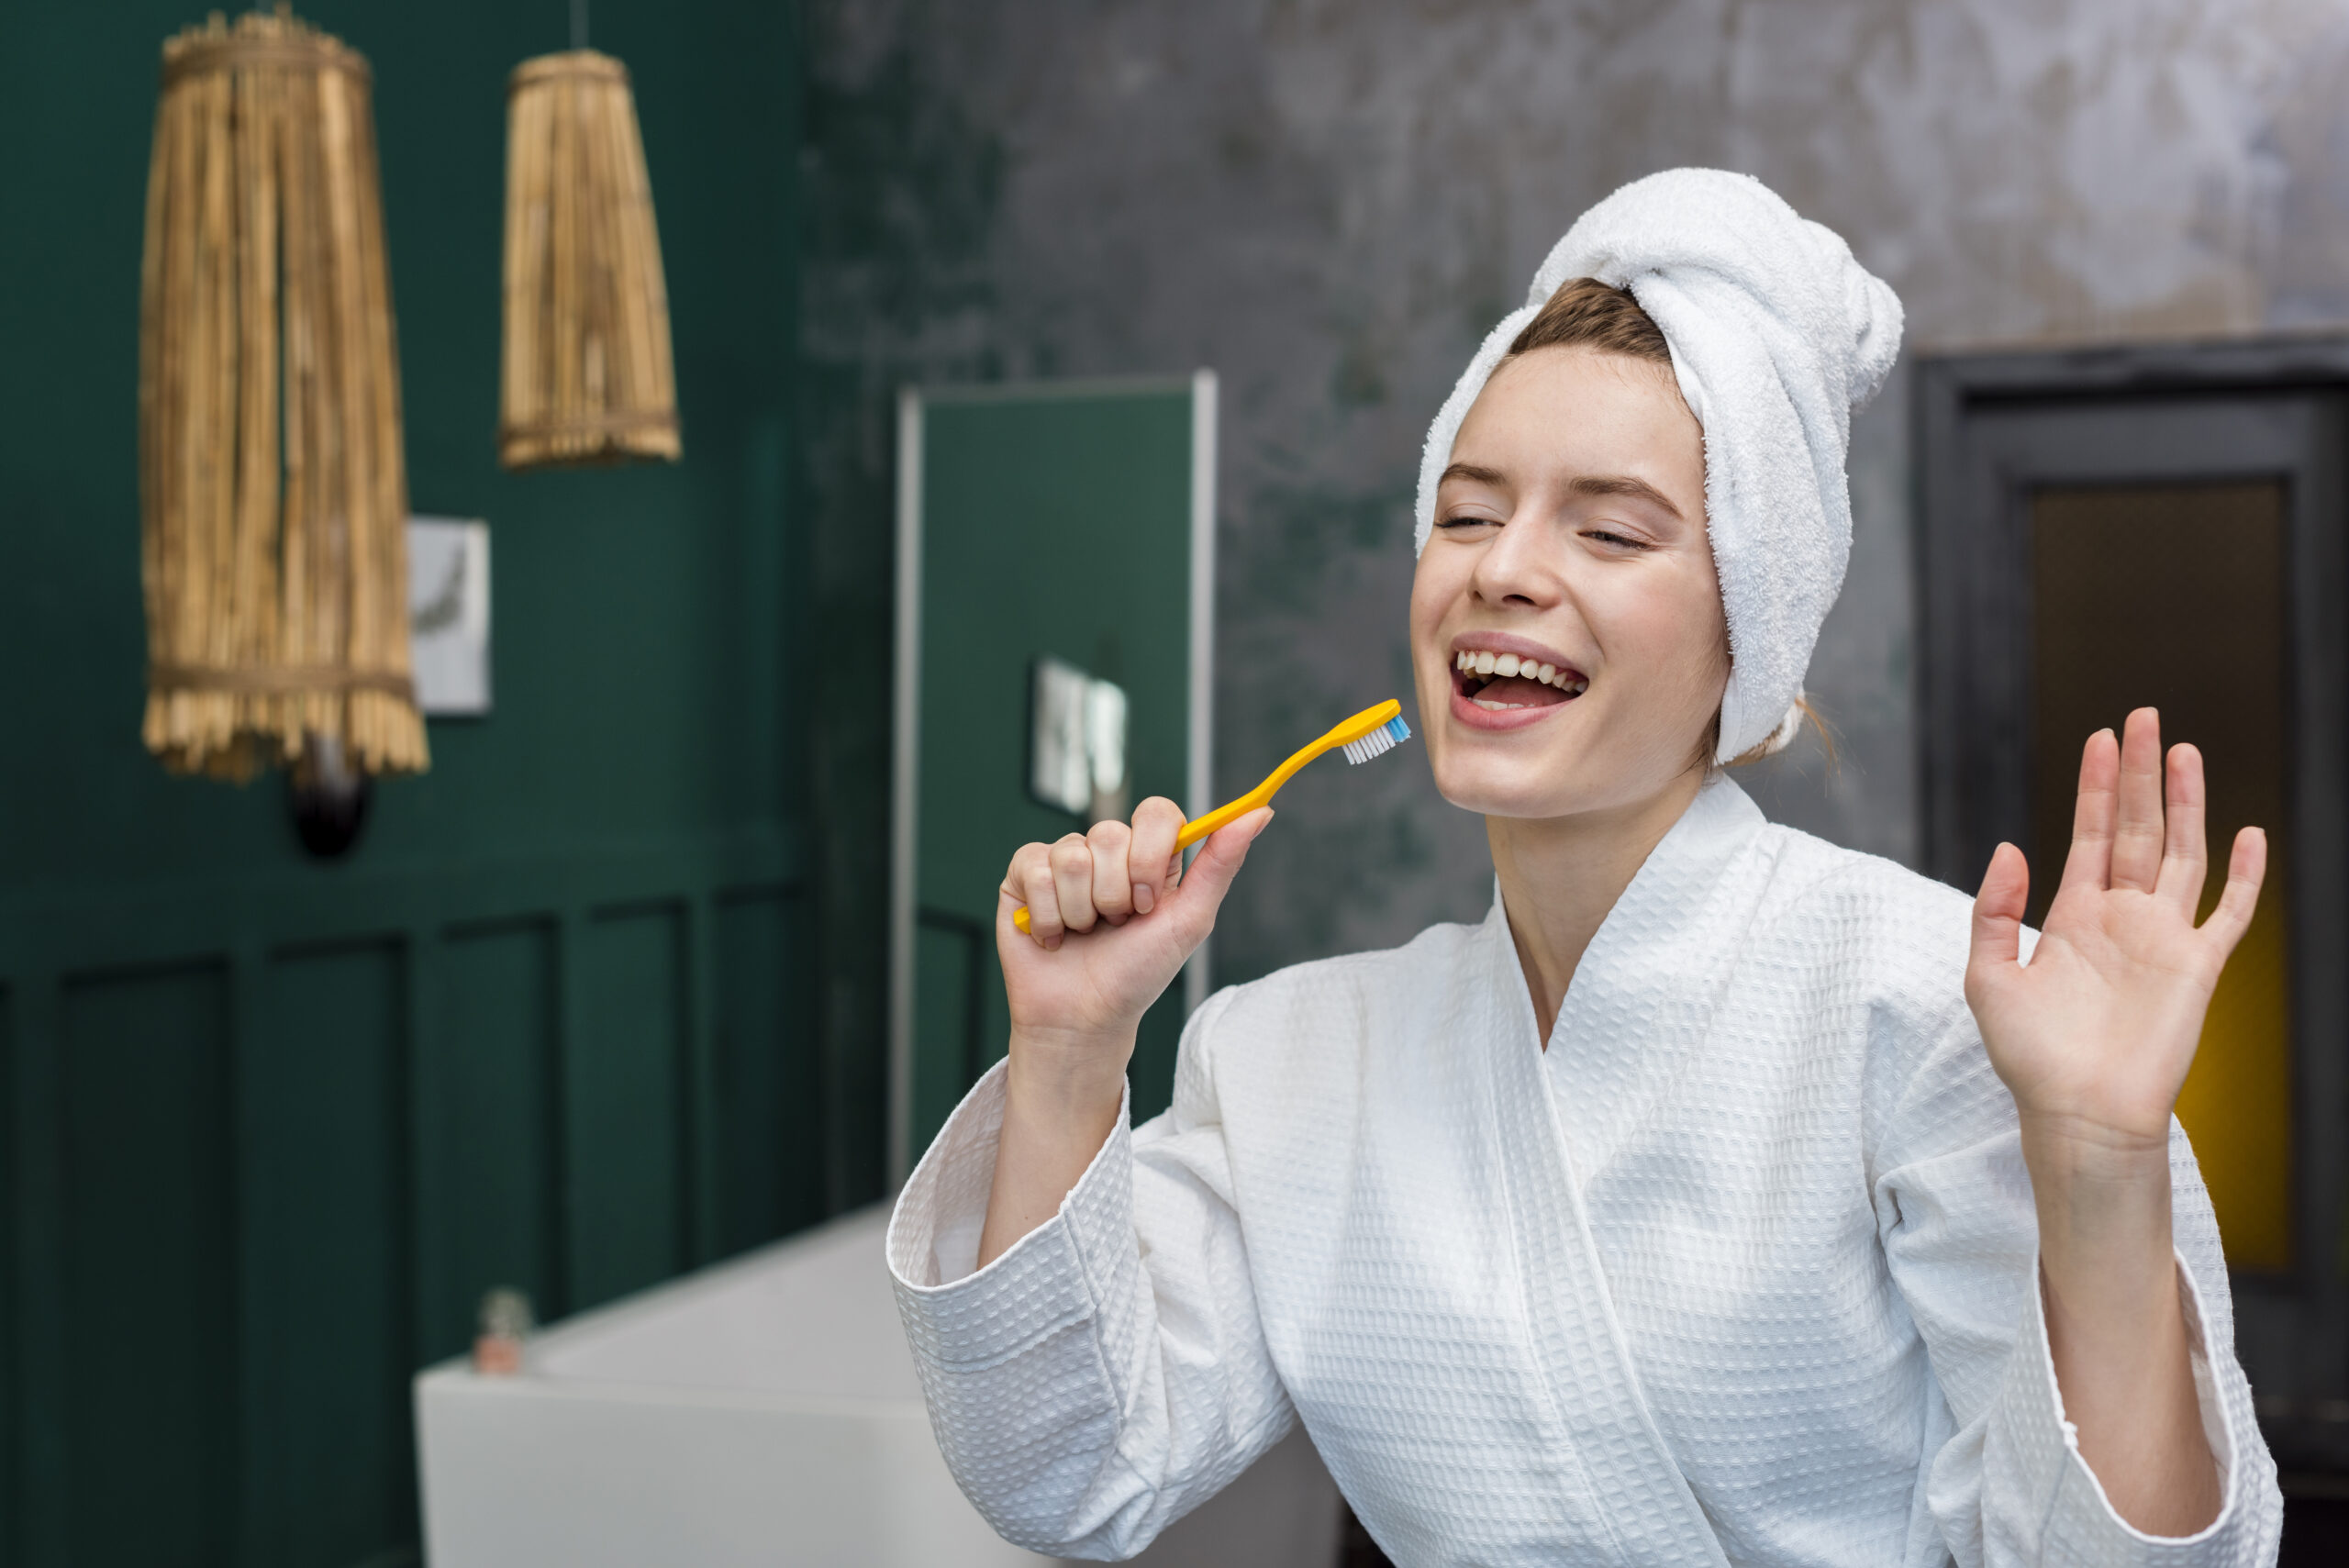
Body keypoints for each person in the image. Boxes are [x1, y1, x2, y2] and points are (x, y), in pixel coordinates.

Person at [885, 169, 2285, 1567]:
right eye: (1468, 512)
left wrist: (2101, 1162)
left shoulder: (1934, 1009)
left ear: (1751, 635)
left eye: (1609, 530)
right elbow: (1071, 1471)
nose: (1505, 569)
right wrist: (1070, 1048)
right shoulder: (1286, 1061)